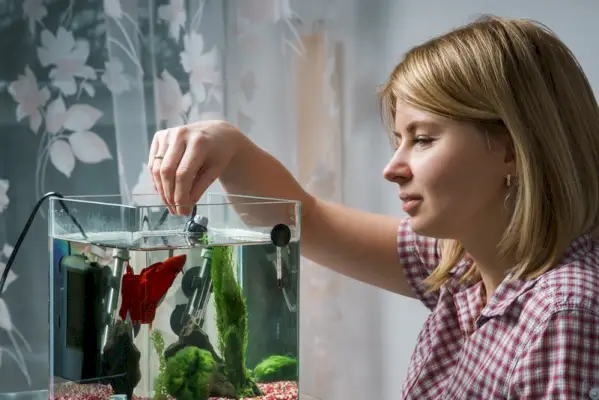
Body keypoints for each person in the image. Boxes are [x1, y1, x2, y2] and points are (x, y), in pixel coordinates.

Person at [148, 15, 599, 399]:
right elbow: (308, 219)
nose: (392, 168)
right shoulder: (461, 262)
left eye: (422, 139)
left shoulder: (564, 314)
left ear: (510, 150)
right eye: (399, 139)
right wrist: (228, 145)